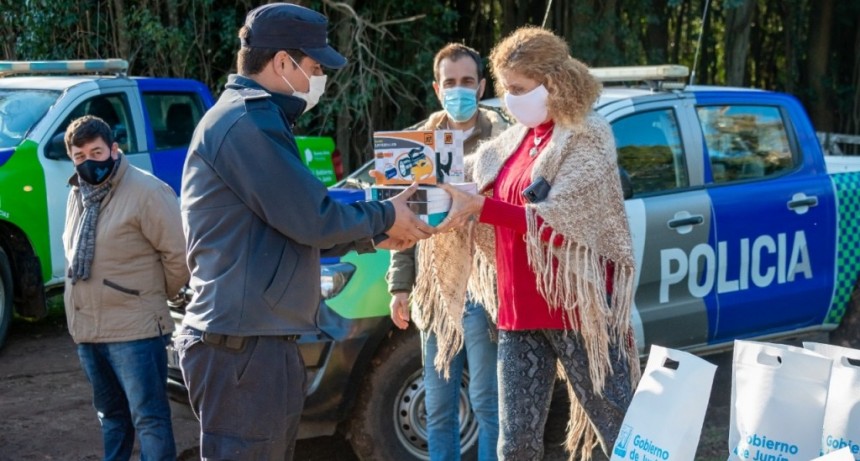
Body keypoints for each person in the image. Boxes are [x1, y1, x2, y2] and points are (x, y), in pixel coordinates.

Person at [174, 3, 435, 460]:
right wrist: (384, 217)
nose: (320, 78)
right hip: (244, 348)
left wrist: (374, 233)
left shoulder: (247, 119)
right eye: (314, 67)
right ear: (282, 62)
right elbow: (312, 217)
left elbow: (292, 222)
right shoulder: (247, 122)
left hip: (249, 342)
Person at [429, 27, 641, 460]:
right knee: (515, 446)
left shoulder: (587, 135)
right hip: (517, 311)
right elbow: (460, 176)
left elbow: (562, 221)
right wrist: (410, 182)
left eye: (519, 89)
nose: (510, 99)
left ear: (553, 83)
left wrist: (480, 207)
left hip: (575, 308)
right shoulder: (512, 141)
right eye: (506, 88)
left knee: (621, 431)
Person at [386, 43, 510, 461]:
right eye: (450, 82)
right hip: (436, 291)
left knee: (488, 402)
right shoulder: (418, 147)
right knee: (439, 408)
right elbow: (403, 220)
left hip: (484, 292)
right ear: (438, 88)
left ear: (482, 86)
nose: (459, 90)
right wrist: (399, 287)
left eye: (467, 81)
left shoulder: (504, 140)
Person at [62, 115, 188, 461]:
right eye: (80, 156)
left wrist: (152, 298)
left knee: (149, 419)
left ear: (114, 150)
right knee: (111, 418)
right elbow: (71, 251)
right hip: (89, 331)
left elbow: (178, 256)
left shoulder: (148, 191)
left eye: (97, 152)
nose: (89, 162)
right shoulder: (77, 194)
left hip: (136, 331)